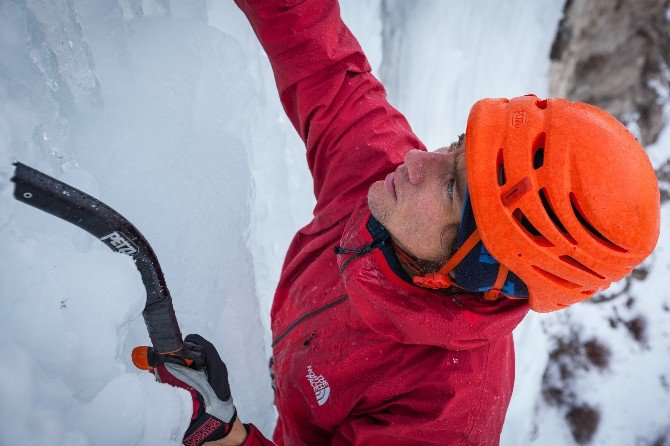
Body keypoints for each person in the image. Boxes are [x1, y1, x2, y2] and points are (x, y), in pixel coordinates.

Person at [133, 1, 661, 445]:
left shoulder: (447, 413)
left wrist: (227, 437)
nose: (414, 162)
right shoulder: (380, 176)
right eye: (456, 147)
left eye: (451, 188)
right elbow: (324, 67)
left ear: (475, 267)